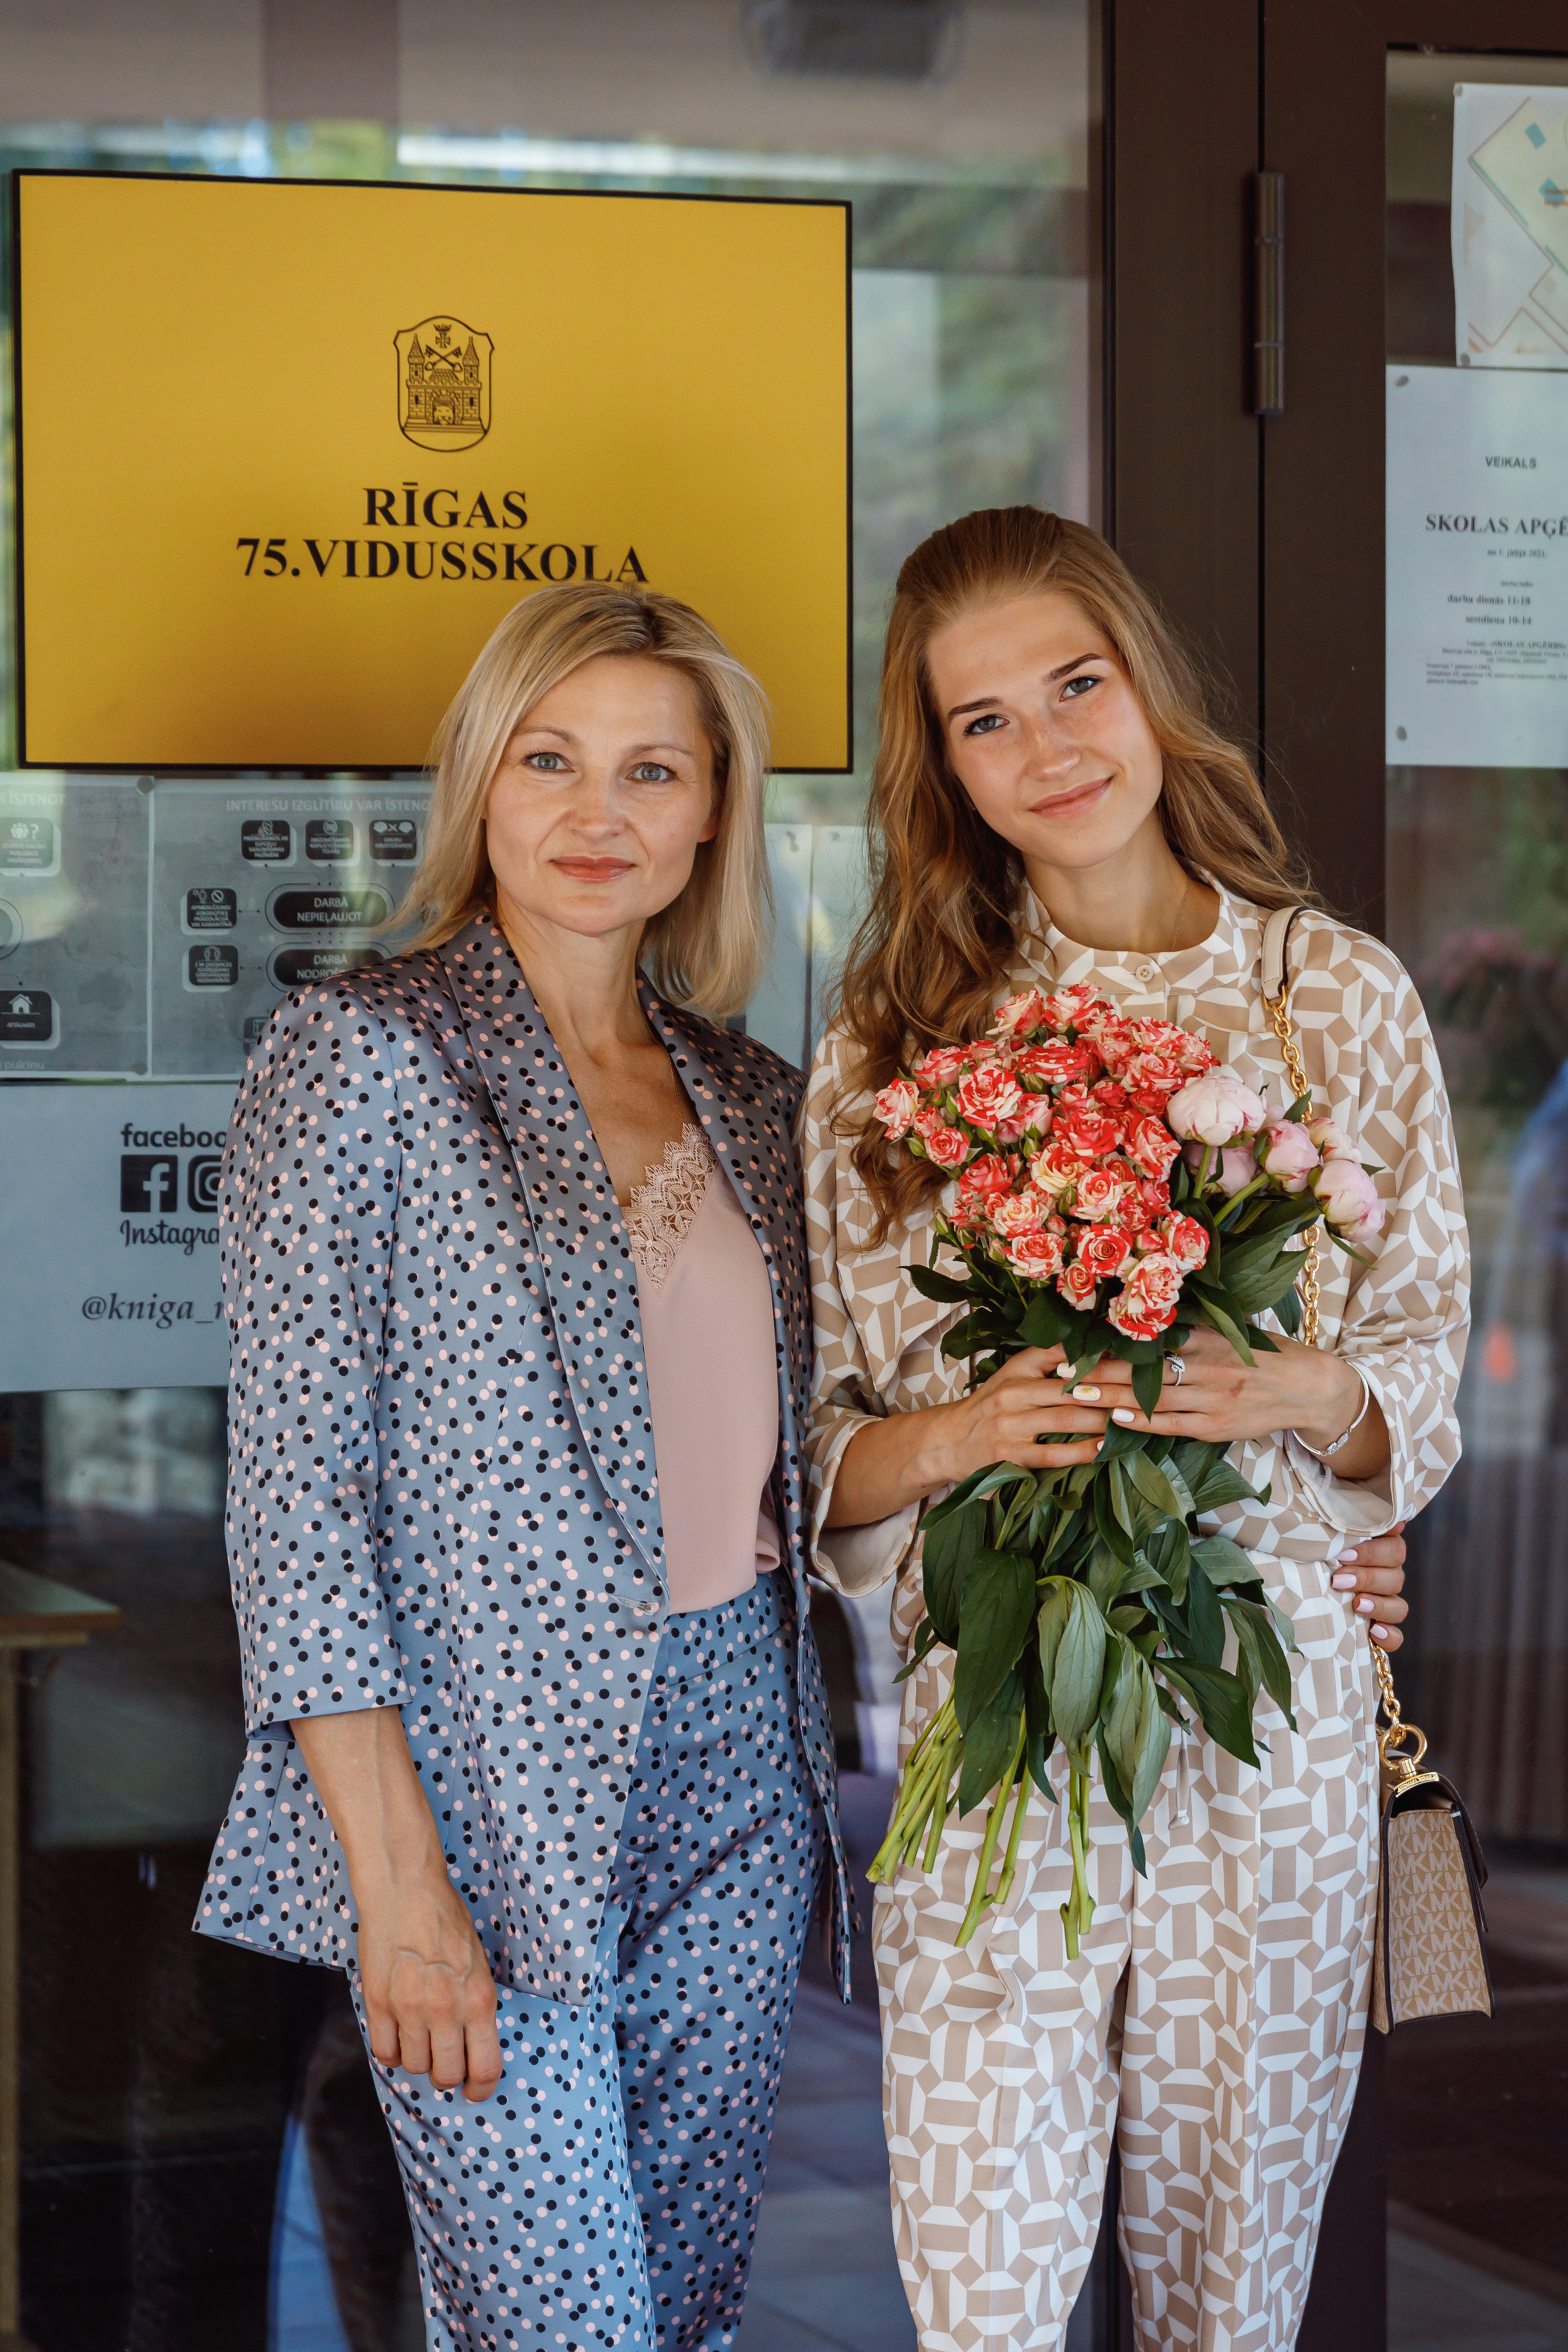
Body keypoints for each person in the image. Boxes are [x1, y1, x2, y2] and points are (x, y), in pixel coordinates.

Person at [801, 506, 1466, 2351]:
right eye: (984, 718)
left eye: (1075, 684)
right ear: (941, 766)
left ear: (1148, 685)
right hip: (997, 1728)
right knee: (984, 2297)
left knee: (1227, 2300)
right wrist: (971, 1431)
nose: (1048, 747)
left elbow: (1419, 1353)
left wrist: (1315, 1399)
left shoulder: (1334, 995)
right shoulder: (897, 1042)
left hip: (1276, 1736)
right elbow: (827, 1431)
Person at [198, 580, 848, 2352]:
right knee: (561, 2325)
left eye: (653, 770)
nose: (596, 812)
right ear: (482, 782)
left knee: (685, 2312)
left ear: (711, 813)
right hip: (477, 1784)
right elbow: (297, 1505)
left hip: (736, 1765)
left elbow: (814, 1451)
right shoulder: (363, 1056)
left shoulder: (756, 1094)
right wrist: (397, 1885)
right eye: (549, 759)